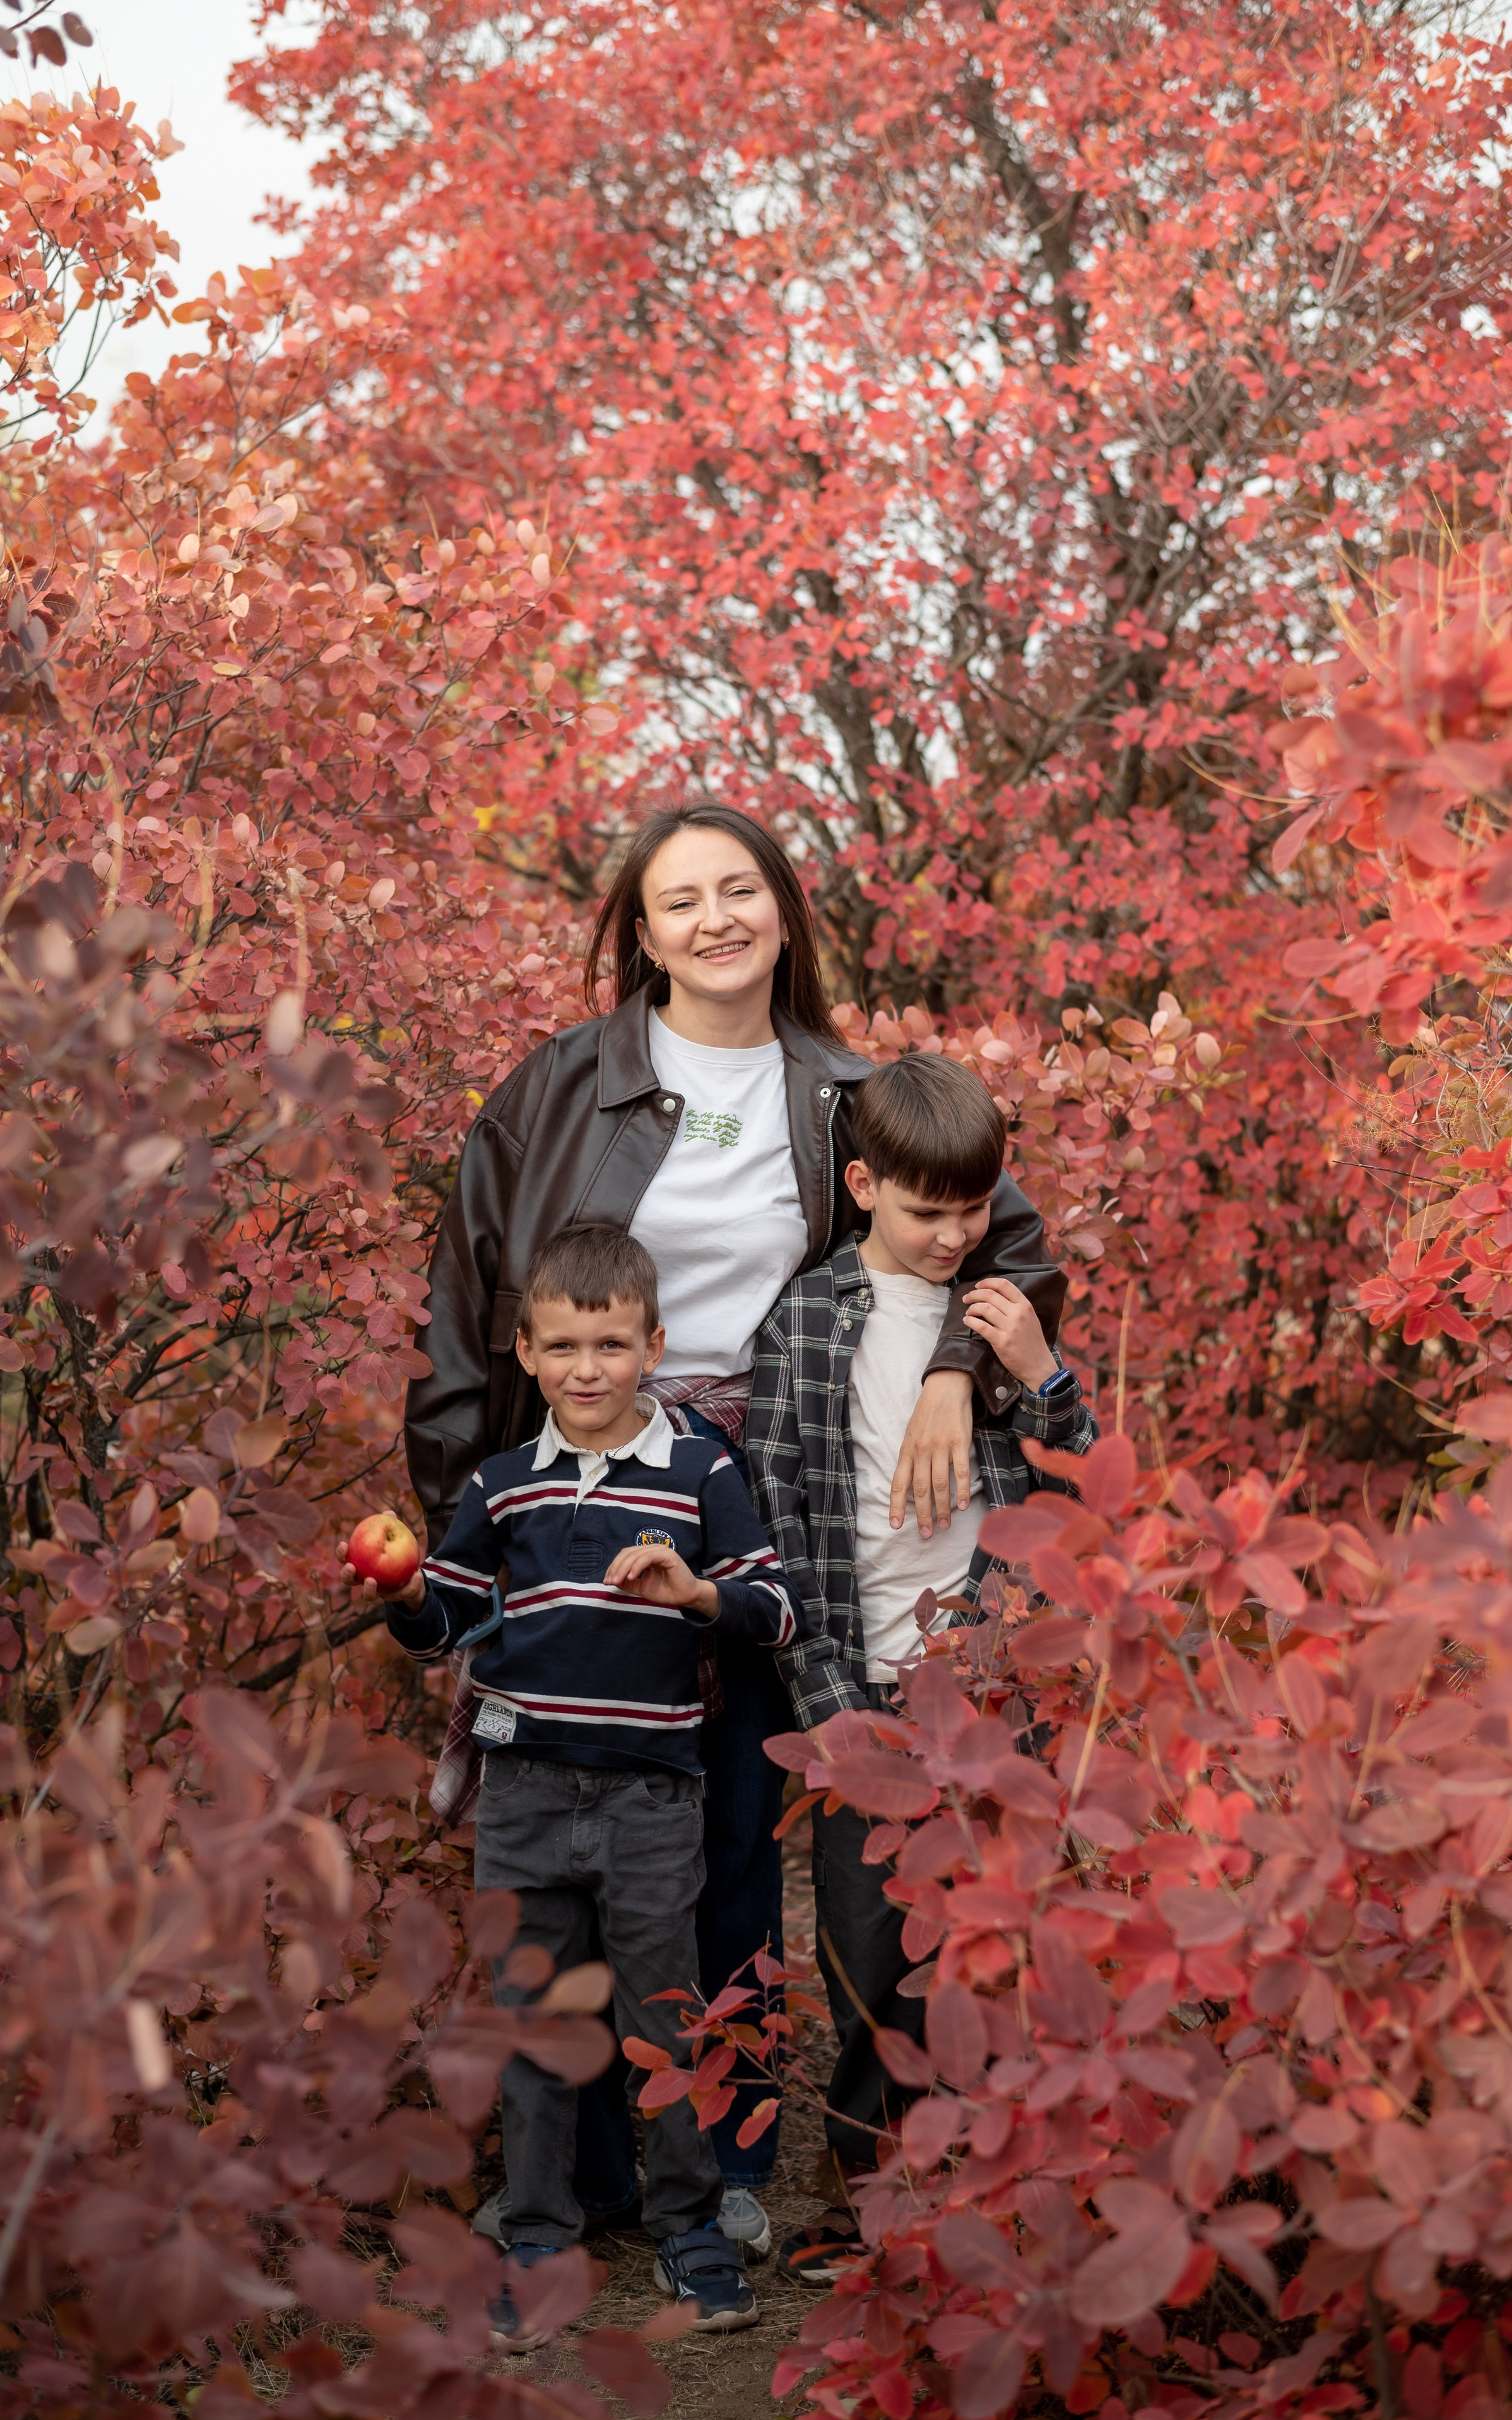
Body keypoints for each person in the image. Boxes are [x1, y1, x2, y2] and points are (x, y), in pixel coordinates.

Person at [405, 796, 1065, 2253]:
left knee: (730, 1833)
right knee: (577, 1822)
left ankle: (724, 2162)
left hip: (769, 1487)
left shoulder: (844, 1090)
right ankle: (579, 2175)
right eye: (679, 899)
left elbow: (999, 1243)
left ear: (782, 908)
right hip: (583, 1470)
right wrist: (463, 1549)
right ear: (640, 934)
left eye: (738, 890)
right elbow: (462, 1315)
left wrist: (951, 1373)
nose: (714, 919)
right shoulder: (554, 1092)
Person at [357, 1224, 805, 2346]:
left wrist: (694, 1594)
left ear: (654, 1346)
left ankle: (689, 2227)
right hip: (525, 1792)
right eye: (562, 1346)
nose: (588, 1369)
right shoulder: (503, 1485)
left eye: (611, 1345)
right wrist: (406, 1593)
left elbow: (775, 1607)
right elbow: (449, 1619)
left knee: (667, 2019)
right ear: (526, 1352)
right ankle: (540, 2236)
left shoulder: (700, 1471)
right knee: (532, 2021)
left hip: (653, 1796)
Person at [745, 1054, 1099, 2284]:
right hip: (868, 1689)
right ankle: (867, 2203)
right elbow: (780, 1525)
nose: (954, 1235)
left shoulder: (995, 1312)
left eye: (974, 1209)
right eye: (925, 1211)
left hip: (994, 1685)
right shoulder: (804, 1322)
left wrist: (1041, 1370)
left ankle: (991, 2195)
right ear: (862, 1187)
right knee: (870, 1957)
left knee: (992, 1948)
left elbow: (1078, 1473)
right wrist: (831, 1707)